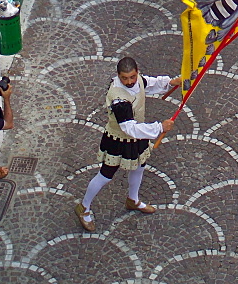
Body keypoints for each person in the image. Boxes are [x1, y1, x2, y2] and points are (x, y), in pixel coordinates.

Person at [74, 56, 181, 231]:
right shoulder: (118, 99)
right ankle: (83, 207)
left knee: (139, 167)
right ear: (118, 76)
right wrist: (159, 127)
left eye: (132, 77)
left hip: (136, 138)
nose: (130, 81)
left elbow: (148, 83)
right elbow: (129, 128)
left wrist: (171, 82)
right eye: (125, 78)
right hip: (118, 140)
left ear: (136, 72)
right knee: (106, 174)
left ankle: (133, 199)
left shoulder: (137, 79)